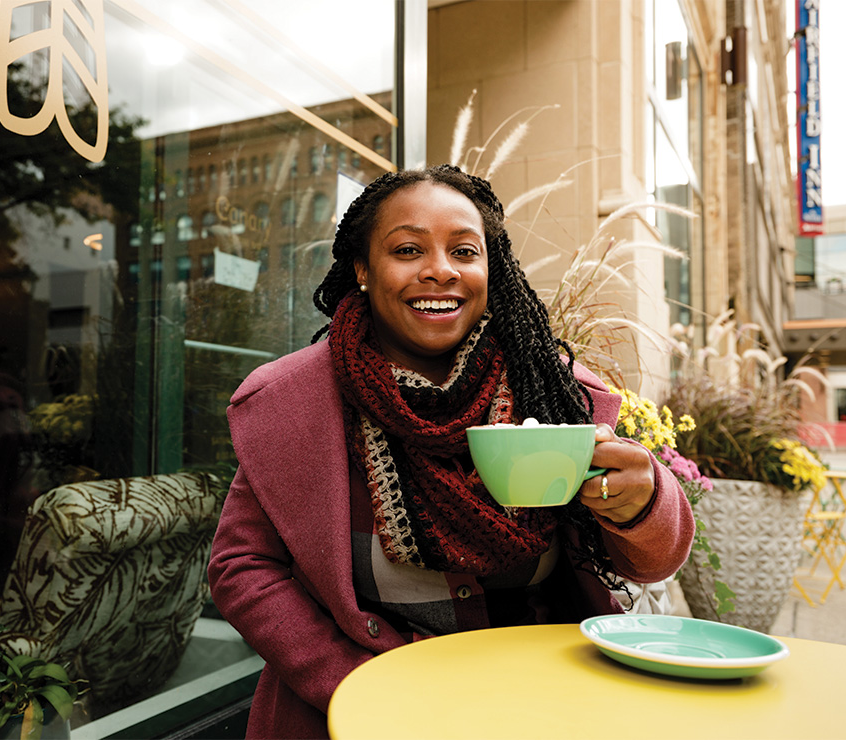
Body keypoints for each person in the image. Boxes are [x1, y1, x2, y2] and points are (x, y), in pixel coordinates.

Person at [208, 164, 695, 739]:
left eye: (465, 251)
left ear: (491, 267)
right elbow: (242, 567)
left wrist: (643, 502)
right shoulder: (294, 405)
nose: (439, 271)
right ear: (363, 268)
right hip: (361, 712)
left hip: (543, 708)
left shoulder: (559, 391)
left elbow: (653, 561)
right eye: (408, 249)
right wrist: (353, 683)